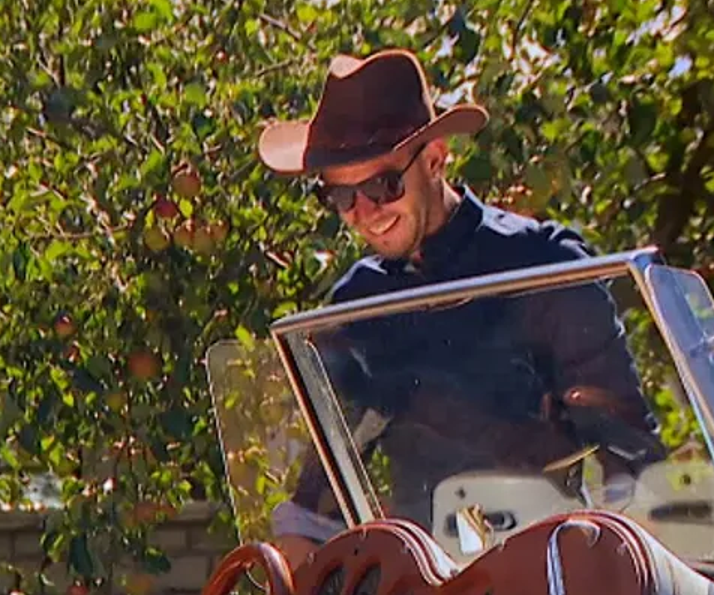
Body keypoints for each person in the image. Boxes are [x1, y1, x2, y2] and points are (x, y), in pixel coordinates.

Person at [255, 49, 664, 564]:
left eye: (382, 186)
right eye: (340, 198)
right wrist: (291, 583)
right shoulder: (357, 303)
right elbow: (320, 495)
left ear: (435, 160)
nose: (365, 213)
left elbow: (631, 461)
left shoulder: (544, 266)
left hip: (546, 581)